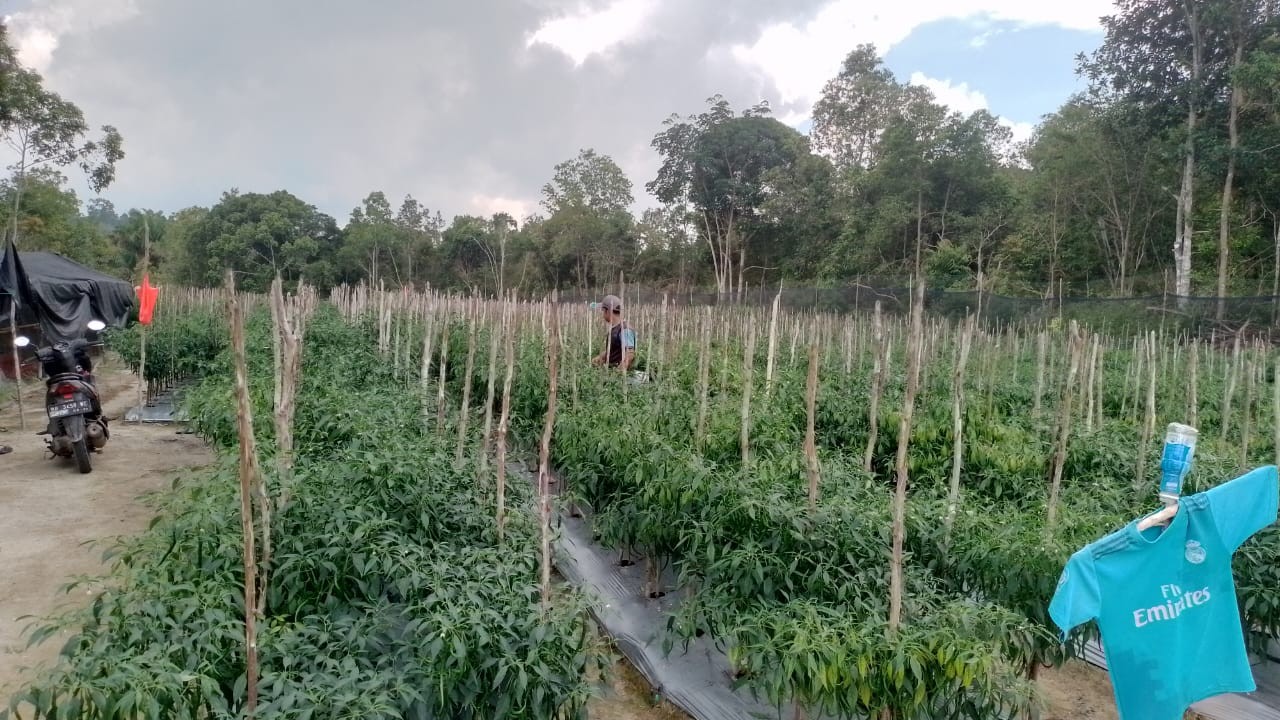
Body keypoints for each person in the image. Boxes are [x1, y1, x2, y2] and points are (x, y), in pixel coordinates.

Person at [590, 294, 636, 372]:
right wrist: (600, 358)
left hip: (619, 377)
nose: (603, 314)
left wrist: (618, 372)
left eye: (603, 311)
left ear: (608, 311)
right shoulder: (616, 328)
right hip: (612, 371)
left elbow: (630, 354)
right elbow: (614, 350)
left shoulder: (625, 330)